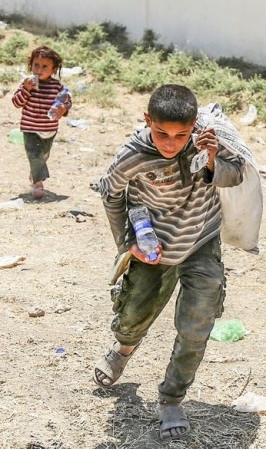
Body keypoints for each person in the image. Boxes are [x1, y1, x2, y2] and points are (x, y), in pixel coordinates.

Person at [92, 84, 244, 440]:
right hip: (154, 246)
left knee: (197, 324)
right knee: (133, 314)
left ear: (193, 126)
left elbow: (236, 174)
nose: (172, 143)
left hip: (201, 240)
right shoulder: (132, 155)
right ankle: (124, 347)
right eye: (162, 133)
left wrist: (211, 159)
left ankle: (172, 398)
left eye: (181, 135)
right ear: (148, 120)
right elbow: (111, 194)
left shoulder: (205, 142)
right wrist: (128, 244)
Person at [11, 45, 72, 199]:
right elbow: (16, 103)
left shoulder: (57, 87)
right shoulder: (26, 84)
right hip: (30, 127)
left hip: (49, 128)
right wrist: (26, 89)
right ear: (30, 66)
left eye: (45, 66)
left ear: (53, 69)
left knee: (43, 155)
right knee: (34, 154)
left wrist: (63, 109)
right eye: (36, 65)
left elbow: (66, 101)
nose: (39, 69)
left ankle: (35, 172)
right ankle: (38, 184)